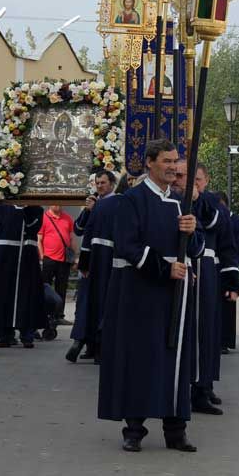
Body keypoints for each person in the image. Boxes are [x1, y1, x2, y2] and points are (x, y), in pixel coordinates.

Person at [98, 138, 203, 453]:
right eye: (167, 161)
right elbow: (127, 245)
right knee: (142, 357)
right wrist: (163, 268)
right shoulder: (132, 199)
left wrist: (191, 229)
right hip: (141, 290)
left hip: (176, 293)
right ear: (150, 163)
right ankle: (134, 429)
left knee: (175, 359)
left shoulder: (182, 201)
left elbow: (193, 250)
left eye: (176, 161)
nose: (173, 167)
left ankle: (176, 430)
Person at [189, 164, 239, 414]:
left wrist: (231, 281)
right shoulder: (178, 199)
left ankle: (204, 386)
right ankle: (191, 387)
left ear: (206, 180)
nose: (193, 183)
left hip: (208, 271)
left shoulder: (212, 204)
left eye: (197, 179)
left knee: (207, 332)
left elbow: (227, 244)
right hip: (186, 268)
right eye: (190, 179)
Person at [68, 173, 127, 363]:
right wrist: (87, 211)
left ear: (113, 184)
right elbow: (80, 230)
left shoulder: (116, 202)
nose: (100, 186)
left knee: (101, 301)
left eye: (103, 183)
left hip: (106, 259)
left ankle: (95, 344)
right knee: (87, 302)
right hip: (92, 260)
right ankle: (88, 344)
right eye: (97, 183)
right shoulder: (95, 204)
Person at [0, 205, 46, 348]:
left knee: (27, 296)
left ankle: (27, 334)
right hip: (5, 257)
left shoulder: (36, 209)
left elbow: (32, 226)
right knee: (4, 295)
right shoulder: (2, 208)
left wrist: (27, 206)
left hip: (26, 258)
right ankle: (5, 335)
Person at [38, 204, 77, 326]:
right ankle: (45, 315)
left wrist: (75, 257)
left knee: (62, 287)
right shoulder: (44, 217)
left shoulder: (68, 218)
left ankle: (59, 315)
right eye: (55, 202)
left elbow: (72, 239)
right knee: (46, 287)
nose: (58, 205)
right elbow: (39, 239)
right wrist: (42, 257)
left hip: (64, 259)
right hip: (48, 258)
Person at [219, 194, 239, 354]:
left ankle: (225, 340)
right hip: (216, 267)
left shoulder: (238, 223)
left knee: (228, 304)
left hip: (230, 268)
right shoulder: (217, 219)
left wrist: (233, 267)